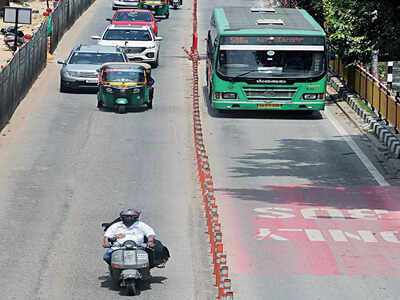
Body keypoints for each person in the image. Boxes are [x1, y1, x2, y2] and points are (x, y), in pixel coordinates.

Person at [103, 208, 169, 268]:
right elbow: (107, 235)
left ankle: (148, 268)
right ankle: (113, 269)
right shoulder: (116, 225)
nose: (129, 218)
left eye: (131, 216)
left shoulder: (141, 225)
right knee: (107, 257)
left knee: (152, 254)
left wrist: (150, 241)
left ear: (135, 217)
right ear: (122, 217)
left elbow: (150, 233)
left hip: (138, 246)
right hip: (119, 247)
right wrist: (106, 243)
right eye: (126, 216)